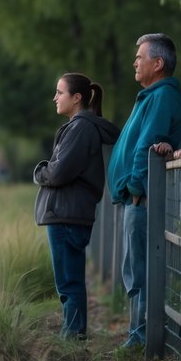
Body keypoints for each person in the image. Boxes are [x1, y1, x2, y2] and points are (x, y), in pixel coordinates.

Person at [106, 34, 181, 348]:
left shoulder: (162, 96)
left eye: (140, 56)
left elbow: (146, 147)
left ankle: (141, 337)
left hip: (142, 198)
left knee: (139, 271)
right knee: (134, 269)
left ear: (158, 63)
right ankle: (137, 334)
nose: (134, 62)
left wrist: (136, 189)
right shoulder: (151, 96)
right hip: (135, 198)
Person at [33, 72, 121, 340]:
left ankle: (72, 337)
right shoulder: (79, 126)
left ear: (77, 97)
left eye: (60, 93)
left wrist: (40, 172)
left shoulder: (81, 128)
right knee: (69, 280)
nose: (55, 98)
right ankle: (73, 334)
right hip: (68, 213)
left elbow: (59, 173)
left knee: (68, 282)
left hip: (66, 215)